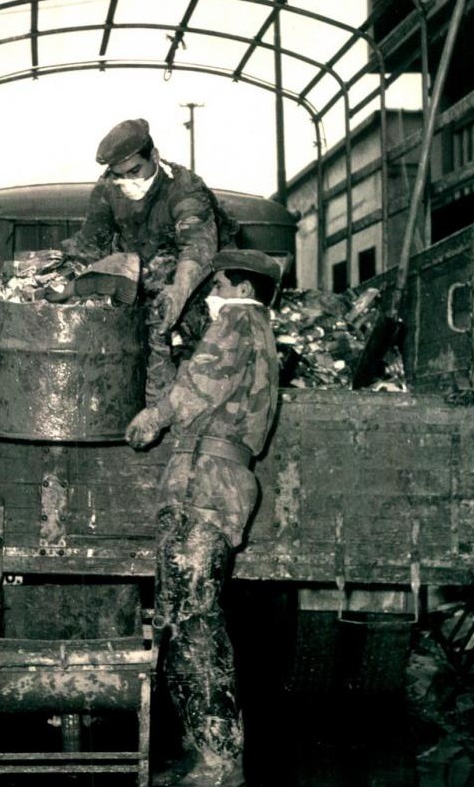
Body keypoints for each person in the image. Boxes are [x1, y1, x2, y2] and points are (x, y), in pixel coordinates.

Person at [124, 250, 282, 787]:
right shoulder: (253, 327)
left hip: (208, 485)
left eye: (217, 280)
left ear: (240, 285)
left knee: (195, 621)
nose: (211, 288)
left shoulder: (238, 319)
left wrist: (154, 417)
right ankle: (206, 753)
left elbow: (198, 387)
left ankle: (218, 760)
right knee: (187, 619)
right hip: (210, 481)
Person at [61, 118, 238, 404]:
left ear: (154, 157)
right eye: (120, 175)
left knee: (196, 351)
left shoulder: (185, 187)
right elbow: (91, 244)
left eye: (135, 171)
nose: (127, 182)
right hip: (146, 272)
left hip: (202, 278)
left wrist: (179, 292)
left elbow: (197, 248)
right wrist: (66, 281)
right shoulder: (108, 188)